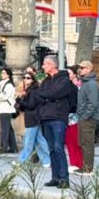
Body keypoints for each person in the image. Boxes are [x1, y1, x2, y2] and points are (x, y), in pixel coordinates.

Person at [37, 55, 76, 189]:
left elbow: (55, 93)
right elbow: (39, 94)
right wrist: (47, 96)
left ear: (53, 65)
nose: (43, 66)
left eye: (45, 64)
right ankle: (55, 177)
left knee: (59, 148)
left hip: (58, 118)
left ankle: (64, 178)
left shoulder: (64, 80)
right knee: (52, 149)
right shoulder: (46, 81)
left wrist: (47, 96)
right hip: (46, 117)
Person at [15, 67, 50, 167]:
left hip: (32, 118)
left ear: (33, 80)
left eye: (28, 78)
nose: (26, 80)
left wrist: (19, 101)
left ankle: (21, 160)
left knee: (29, 141)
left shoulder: (33, 91)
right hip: (34, 117)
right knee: (39, 141)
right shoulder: (30, 90)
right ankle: (47, 161)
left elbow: (31, 105)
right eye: (24, 78)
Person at [75, 61, 99, 175]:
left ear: (89, 69)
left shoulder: (91, 84)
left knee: (87, 143)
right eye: (80, 67)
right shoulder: (86, 82)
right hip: (84, 117)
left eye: (83, 67)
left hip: (88, 118)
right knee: (83, 142)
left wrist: (85, 116)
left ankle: (88, 168)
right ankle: (85, 166)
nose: (80, 69)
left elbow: (93, 103)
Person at [0, 68, 19, 154]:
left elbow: (2, 96)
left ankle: (4, 147)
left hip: (6, 108)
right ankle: (13, 147)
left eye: (4, 73)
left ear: (8, 75)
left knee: (4, 128)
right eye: (2, 73)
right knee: (9, 128)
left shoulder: (8, 85)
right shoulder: (2, 84)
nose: (2, 74)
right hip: (3, 108)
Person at [65, 67, 84, 172]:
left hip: (73, 116)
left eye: (69, 73)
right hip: (68, 116)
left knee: (74, 140)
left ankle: (77, 163)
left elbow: (75, 103)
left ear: (74, 75)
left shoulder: (75, 87)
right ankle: (74, 162)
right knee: (69, 141)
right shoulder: (68, 87)